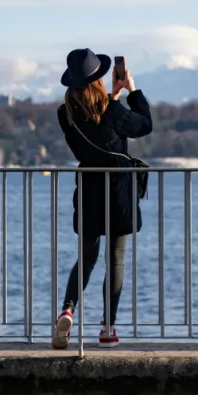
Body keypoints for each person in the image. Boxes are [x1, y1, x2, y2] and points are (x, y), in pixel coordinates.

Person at [52, 47, 152, 349]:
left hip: (89, 187)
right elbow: (143, 125)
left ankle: (67, 310)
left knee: (87, 259)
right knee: (115, 258)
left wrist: (114, 97)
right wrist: (131, 90)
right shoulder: (111, 109)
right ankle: (108, 329)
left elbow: (96, 126)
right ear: (99, 79)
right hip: (119, 188)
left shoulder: (65, 113)